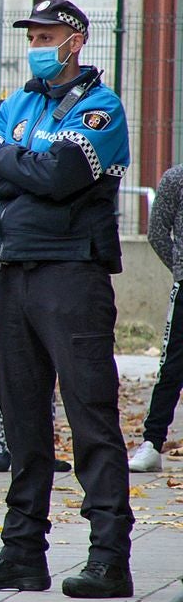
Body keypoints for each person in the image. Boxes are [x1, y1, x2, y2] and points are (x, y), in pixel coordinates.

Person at [0, 0, 134, 598]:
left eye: (47, 32)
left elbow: (60, 177)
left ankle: (109, 556)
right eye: (31, 33)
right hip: (12, 273)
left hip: (72, 276)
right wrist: (23, 166)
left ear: (76, 40)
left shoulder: (102, 108)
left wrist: (10, 162)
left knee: (91, 419)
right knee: (23, 423)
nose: (37, 41)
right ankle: (22, 552)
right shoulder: (20, 101)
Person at [0, 202, 72, 475]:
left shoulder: (37, 161)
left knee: (41, 363)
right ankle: (0, 446)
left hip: (36, 270)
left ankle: (42, 445)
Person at [129, 163, 183, 472]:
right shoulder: (175, 179)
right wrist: (180, 268)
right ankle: (152, 443)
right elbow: (157, 233)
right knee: (172, 367)